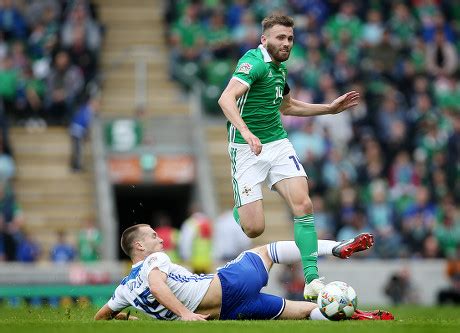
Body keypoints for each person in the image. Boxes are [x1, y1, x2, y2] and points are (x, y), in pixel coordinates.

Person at [217, 13, 360, 299]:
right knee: (254, 229)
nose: (286, 43)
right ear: (264, 39)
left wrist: (329, 109)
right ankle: (241, 207)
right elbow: (226, 98)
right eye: (280, 37)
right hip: (246, 149)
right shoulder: (253, 62)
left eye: (290, 38)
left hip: (278, 144)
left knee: (304, 204)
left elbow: (288, 106)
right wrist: (246, 132)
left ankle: (312, 279)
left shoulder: (280, 68)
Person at [94, 224, 393, 321]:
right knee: (266, 250)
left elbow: (99, 317)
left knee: (301, 312)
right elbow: (157, 285)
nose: (160, 238)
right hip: (228, 285)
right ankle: (336, 248)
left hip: (228, 311)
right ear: (139, 246)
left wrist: (122, 314)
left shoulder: (124, 288)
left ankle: (352, 314)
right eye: (152, 236)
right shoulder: (152, 262)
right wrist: (185, 314)